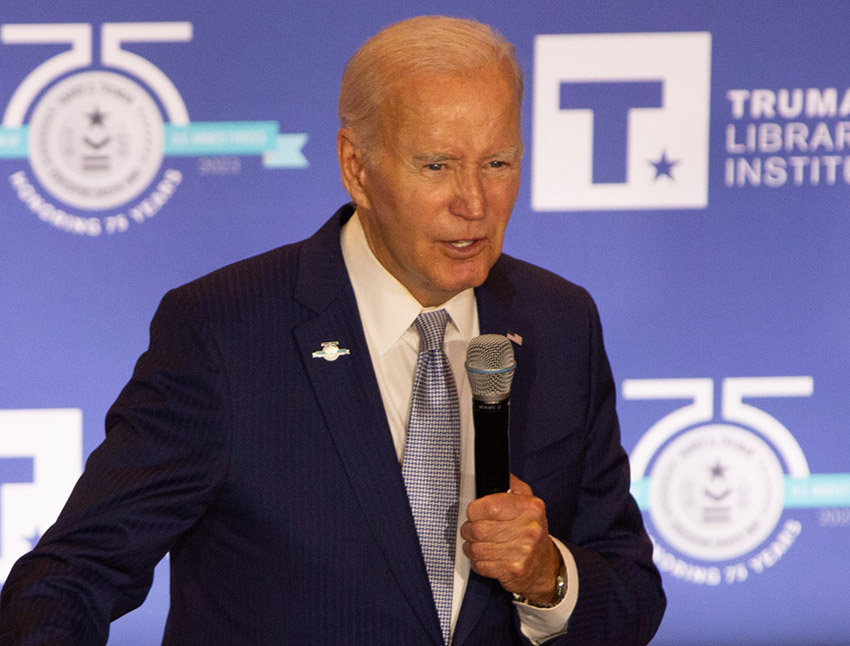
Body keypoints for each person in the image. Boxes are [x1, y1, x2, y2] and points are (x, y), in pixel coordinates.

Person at [0, 15, 665, 646]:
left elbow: (632, 592)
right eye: (437, 166)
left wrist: (546, 575)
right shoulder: (224, 332)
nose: (474, 202)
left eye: (498, 163)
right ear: (357, 167)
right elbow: (74, 574)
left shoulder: (557, 319)